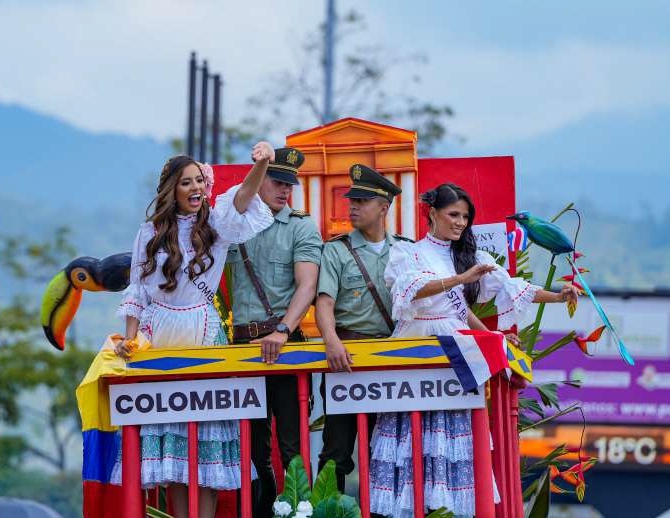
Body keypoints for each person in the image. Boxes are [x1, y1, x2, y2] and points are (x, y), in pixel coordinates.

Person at [370, 182, 579, 517]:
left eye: (465, 217)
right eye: (453, 214)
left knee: (449, 428)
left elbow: (509, 289)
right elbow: (412, 292)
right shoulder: (407, 252)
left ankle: (444, 507)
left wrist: (557, 296)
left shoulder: (469, 256)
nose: (460, 222)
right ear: (432, 212)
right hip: (417, 343)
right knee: (410, 430)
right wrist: (460, 278)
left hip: (456, 346)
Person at [109, 143, 276, 518]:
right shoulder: (149, 233)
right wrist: (131, 336)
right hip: (159, 334)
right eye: (187, 183)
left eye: (200, 180)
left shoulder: (216, 224)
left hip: (202, 330)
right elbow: (137, 288)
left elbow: (244, 199)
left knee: (205, 438)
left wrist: (262, 164)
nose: (196, 188)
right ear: (172, 189)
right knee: (173, 443)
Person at [225, 147, 323, 518]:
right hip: (239, 346)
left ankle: (300, 510)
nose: (285, 190)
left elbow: (307, 286)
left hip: (285, 345)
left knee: (292, 443)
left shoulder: (301, 226)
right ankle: (261, 509)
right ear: (259, 180)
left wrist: (283, 329)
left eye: (289, 185)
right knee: (249, 445)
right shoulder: (233, 223)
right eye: (278, 182)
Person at [314, 163, 405, 492]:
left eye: (362, 202)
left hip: (391, 361)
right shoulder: (335, 251)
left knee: (387, 451)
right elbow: (324, 303)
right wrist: (331, 342)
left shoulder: (405, 251)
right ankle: (326, 511)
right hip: (346, 360)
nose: (352, 206)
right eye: (351, 200)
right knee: (336, 451)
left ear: (384, 207)